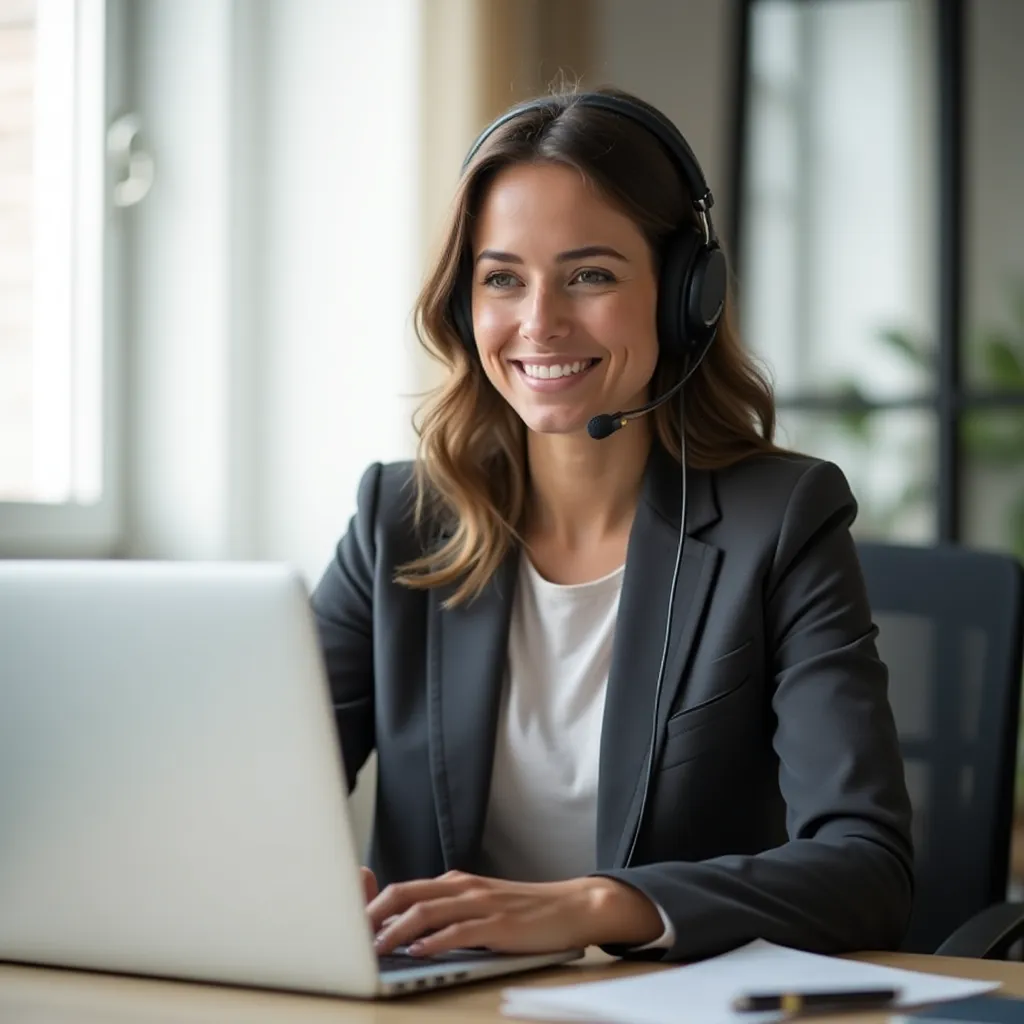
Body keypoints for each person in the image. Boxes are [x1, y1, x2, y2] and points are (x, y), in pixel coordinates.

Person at [311, 87, 913, 964]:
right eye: (502, 278)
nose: (540, 323)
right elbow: (260, 798)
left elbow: (867, 870)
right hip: (441, 1004)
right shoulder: (395, 522)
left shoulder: (781, 524)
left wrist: (595, 906)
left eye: (590, 275)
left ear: (685, 296)